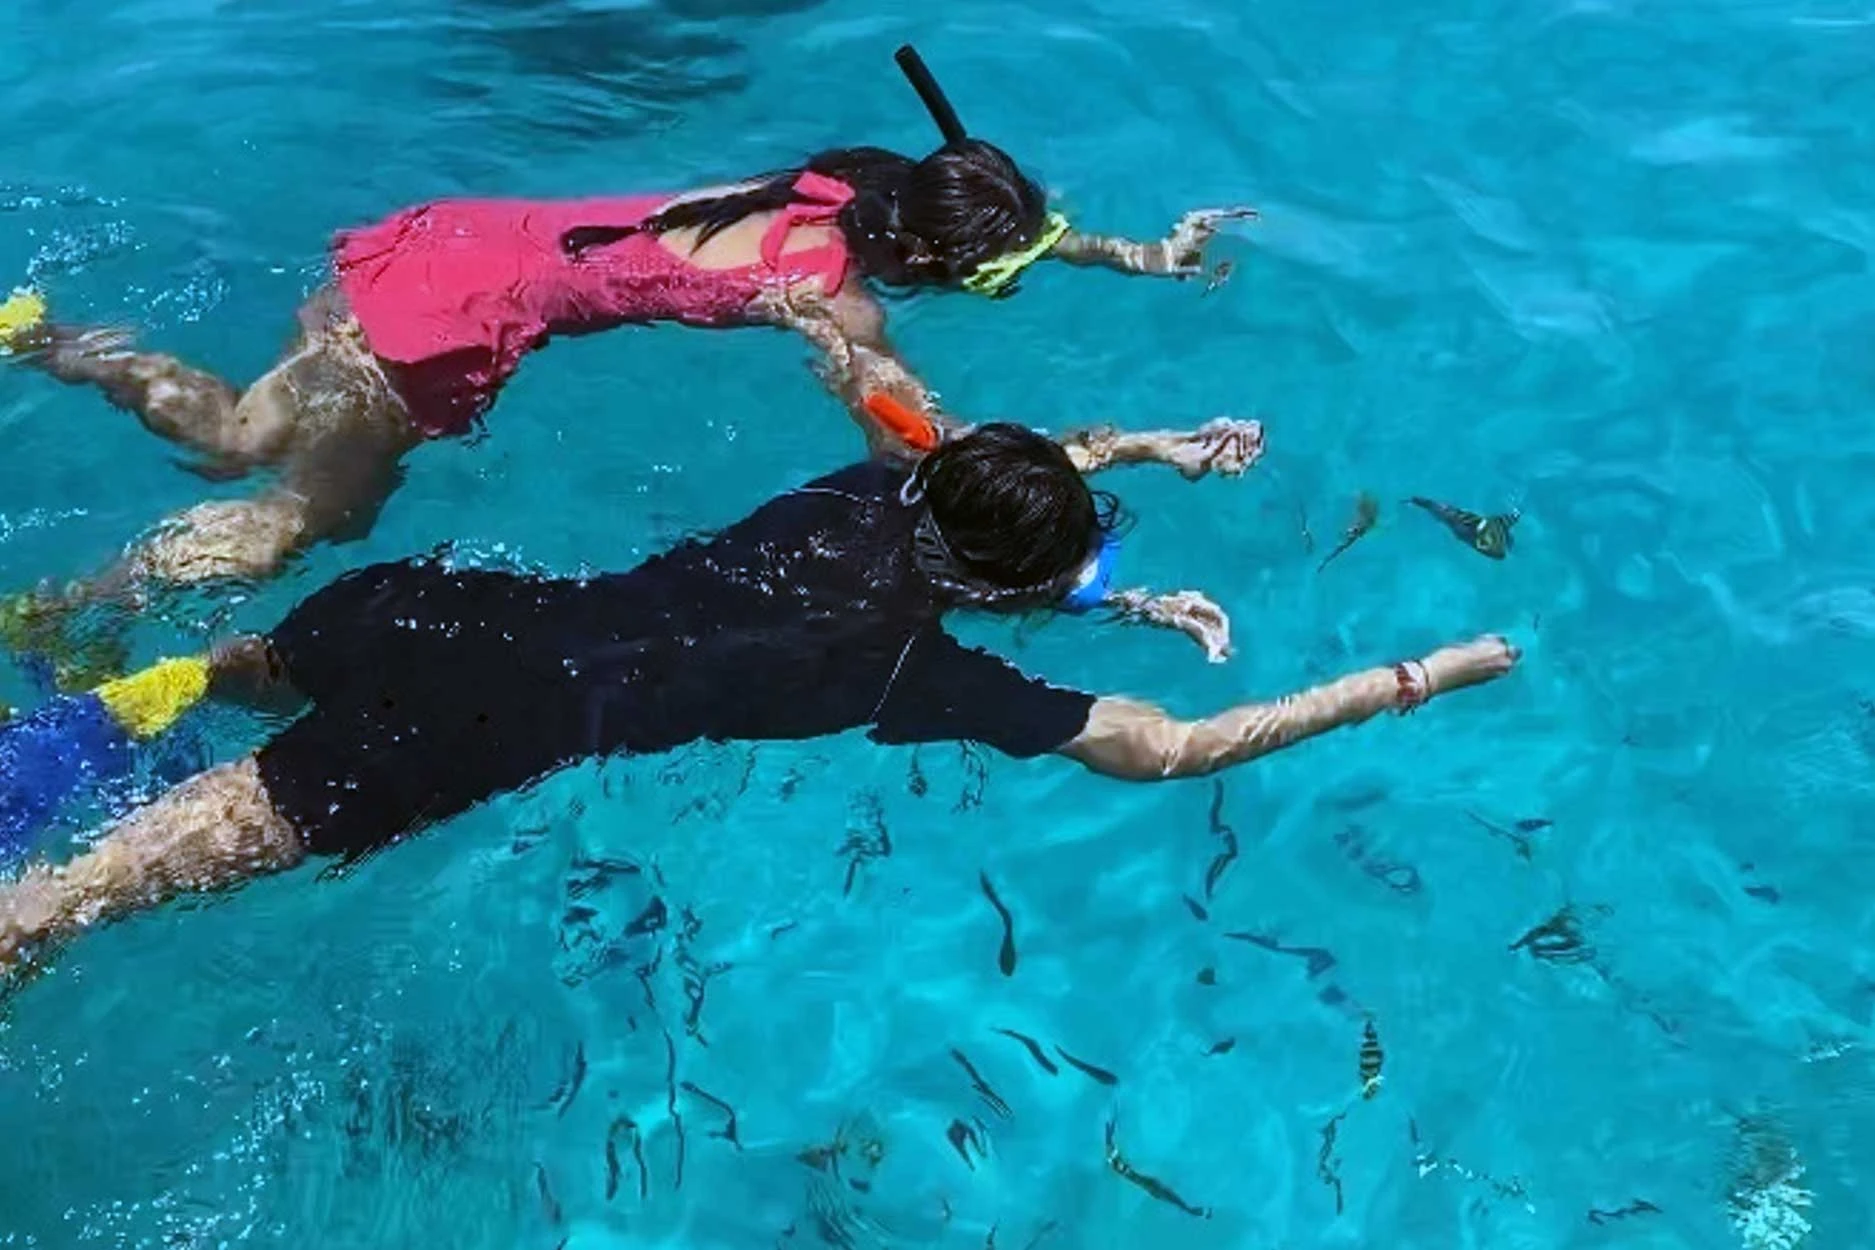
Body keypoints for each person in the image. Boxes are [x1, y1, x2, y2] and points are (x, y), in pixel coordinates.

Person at [0, 422, 1518, 978]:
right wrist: (1414, 676)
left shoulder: (863, 487)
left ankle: (85, 655)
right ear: (994, 592)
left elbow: (999, 462)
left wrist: (1151, 455)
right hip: (454, 741)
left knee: (200, 687)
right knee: (54, 910)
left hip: (439, 606)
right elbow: (1174, 744)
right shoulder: (912, 671)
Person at [0, 46, 1258, 641]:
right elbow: (929, 459)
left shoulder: (855, 183)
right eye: (998, 277)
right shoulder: (832, 304)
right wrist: (1107, 504)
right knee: (287, 513)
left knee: (246, 438)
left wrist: (1134, 255)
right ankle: (53, 607)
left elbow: (992, 224)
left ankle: (47, 339)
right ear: (926, 262)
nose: (1005, 283)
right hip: (442, 333)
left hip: (446, 244)